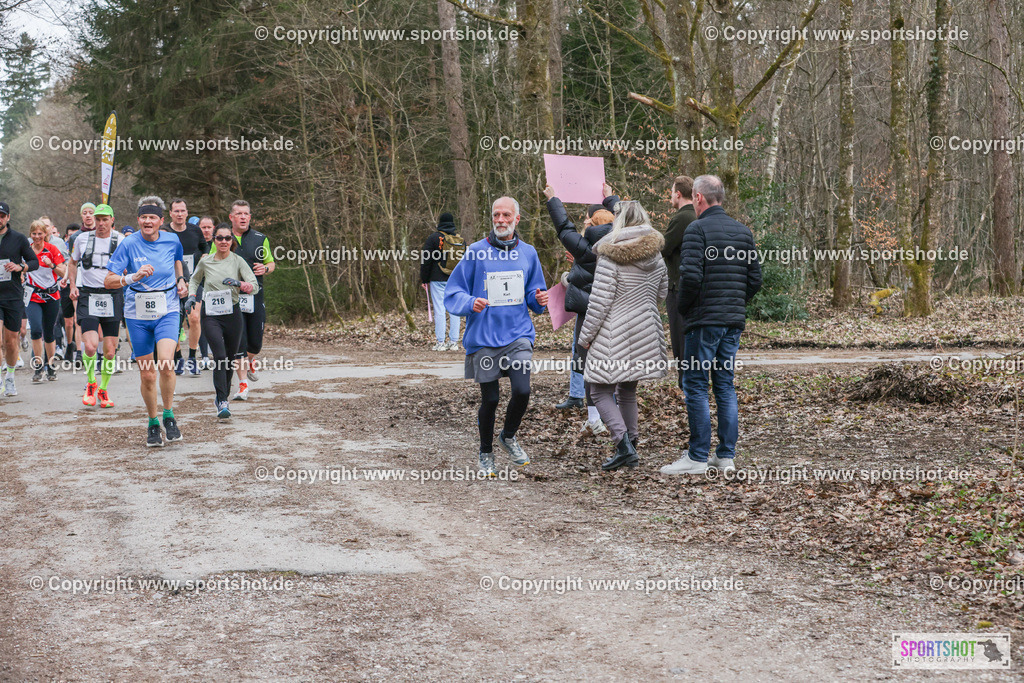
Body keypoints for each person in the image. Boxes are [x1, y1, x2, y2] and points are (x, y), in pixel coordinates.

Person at [661, 175, 762, 475]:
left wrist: (684, 309)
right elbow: (755, 280)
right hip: (732, 321)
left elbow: (689, 278)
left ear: (699, 198)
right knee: (724, 385)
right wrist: (734, 302)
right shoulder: (743, 232)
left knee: (694, 384)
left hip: (703, 320)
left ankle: (697, 456)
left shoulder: (696, 230)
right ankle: (726, 455)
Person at [444, 196, 548, 475]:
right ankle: (485, 452)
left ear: (517, 219)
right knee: (490, 400)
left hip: (518, 335)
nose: (500, 220)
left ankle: (508, 436)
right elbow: (453, 292)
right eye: (496, 215)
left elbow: (534, 296)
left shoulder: (528, 253)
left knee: (523, 390)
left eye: (506, 215)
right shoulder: (476, 252)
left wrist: (540, 299)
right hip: (484, 337)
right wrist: (470, 303)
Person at [577, 201, 668, 470]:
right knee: (627, 389)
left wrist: (585, 337)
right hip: (646, 329)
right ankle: (633, 442)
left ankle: (623, 445)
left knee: (599, 390)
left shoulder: (609, 254)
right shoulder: (656, 255)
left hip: (613, 332)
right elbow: (661, 295)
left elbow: (599, 302)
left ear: (619, 221)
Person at [104, 196, 188, 447]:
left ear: (162, 221)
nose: (148, 221)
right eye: (144, 217)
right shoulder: (128, 244)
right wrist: (132, 277)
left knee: (166, 363)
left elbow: (177, 261)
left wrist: (181, 280)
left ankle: (169, 415)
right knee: (148, 374)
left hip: (167, 309)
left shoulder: (172, 239)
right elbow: (108, 281)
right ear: (138, 220)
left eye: (153, 217)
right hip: (137, 313)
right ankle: (153, 422)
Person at [544, 183, 619, 435]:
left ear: (591, 225)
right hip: (614, 315)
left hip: (588, 315)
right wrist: (610, 198)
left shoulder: (585, 247)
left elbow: (564, 227)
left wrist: (553, 198)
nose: (583, 222)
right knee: (611, 366)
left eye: (586, 220)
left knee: (587, 365)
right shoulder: (622, 245)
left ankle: (594, 418)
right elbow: (626, 218)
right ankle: (615, 416)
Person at [186, 223, 258, 419]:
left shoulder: (238, 261)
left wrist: (239, 284)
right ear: (214, 240)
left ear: (231, 241)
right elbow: (194, 279)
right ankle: (222, 400)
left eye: (228, 238)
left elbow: (254, 286)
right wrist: (192, 296)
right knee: (219, 356)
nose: (224, 241)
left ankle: (222, 397)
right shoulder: (206, 261)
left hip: (233, 315)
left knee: (229, 357)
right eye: (220, 238)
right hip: (211, 315)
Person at [69, 204, 124, 407]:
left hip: (113, 295)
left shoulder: (121, 240)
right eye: (98, 219)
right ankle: (91, 383)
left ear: (112, 220)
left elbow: (129, 264)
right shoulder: (82, 239)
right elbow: (73, 262)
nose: (101, 223)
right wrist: (73, 285)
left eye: (104, 219)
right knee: (91, 346)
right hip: (88, 294)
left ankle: (103, 389)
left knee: (110, 352)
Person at [219, 200, 274, 401]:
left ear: (250, 217)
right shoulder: (222, 238)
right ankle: (243, 384)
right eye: (239, 213)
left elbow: (271, 262)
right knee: (238, 343)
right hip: (231, 298)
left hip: (255, 296)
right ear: (231, 217)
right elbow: (210, 261)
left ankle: (251, 360)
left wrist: (265, 269)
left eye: (246, 214)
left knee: (255, 344)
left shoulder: (260, 238)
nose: (243, 217)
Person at [0, 201, 39, 396]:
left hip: (13, 296)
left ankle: (10, 377)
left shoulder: (18, 238)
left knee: (10, 341)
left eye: (2, 216)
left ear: (7, 217)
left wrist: (19, 267)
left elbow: (34, 262)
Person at [661, 175, 697, 385]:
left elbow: (663, 248)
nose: (670, 197)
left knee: (680, 337)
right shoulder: (699, 215)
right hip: (693, 286)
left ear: (678, 194)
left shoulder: (682, 218)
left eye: (671, 192)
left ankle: (686, 383)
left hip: (678, 287)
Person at [166, 199, 208, 376]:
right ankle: (177, 357)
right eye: (176, 211)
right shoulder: (165, 232)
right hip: (170, 283)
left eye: (182, 210)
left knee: (195, 318)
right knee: (175, 323)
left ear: (187, 212)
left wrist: (205, 256)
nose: (180, 214)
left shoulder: (195, 230)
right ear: (170, 214)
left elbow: (204, 246)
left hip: (193, 281)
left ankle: (192, 357)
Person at [25, 220, 67, 382]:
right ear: (30, 234)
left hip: (51, 296)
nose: (37, 237)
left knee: (49, 332)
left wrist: (52, 266)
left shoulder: (52, 249)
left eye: (40, 233)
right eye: (34, 234)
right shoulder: (27, 252)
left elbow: (63, 272)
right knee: (35, 330)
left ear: (45, 234)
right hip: (33, 295)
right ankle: (38, 367)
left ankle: (51, 367)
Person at [419, 212, 464, 351]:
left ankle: (440, 342)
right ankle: (454, 342)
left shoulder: (434, 238)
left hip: (437, 279)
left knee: (440, 309)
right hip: (455, 280)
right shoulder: (459, 240)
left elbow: (426, 260)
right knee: (454, 310)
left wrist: (424, 279)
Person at [196, 216, 216, 368]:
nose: (206, 230)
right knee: (201, 320)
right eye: (203, 227)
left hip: (216, 288)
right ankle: (204, 356)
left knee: (216, 321)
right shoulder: (196, 245)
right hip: (199, 286)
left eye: (209, 227)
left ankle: (218, 353)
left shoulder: (220, 243)